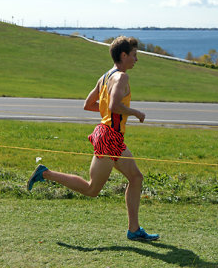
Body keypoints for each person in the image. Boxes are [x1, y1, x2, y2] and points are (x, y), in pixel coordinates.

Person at [27, 36, 159, 241]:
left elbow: (88, 104)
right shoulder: (121, 77)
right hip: (109, 137)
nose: (136, 59)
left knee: (136, 178)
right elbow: (114, 106)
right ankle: (45, 174)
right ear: (123, 55)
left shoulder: (105, 76)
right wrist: (135, 112)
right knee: (91, 189)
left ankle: (134, 229)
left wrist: (110, 110)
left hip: (110, 136)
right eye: (134, 55)